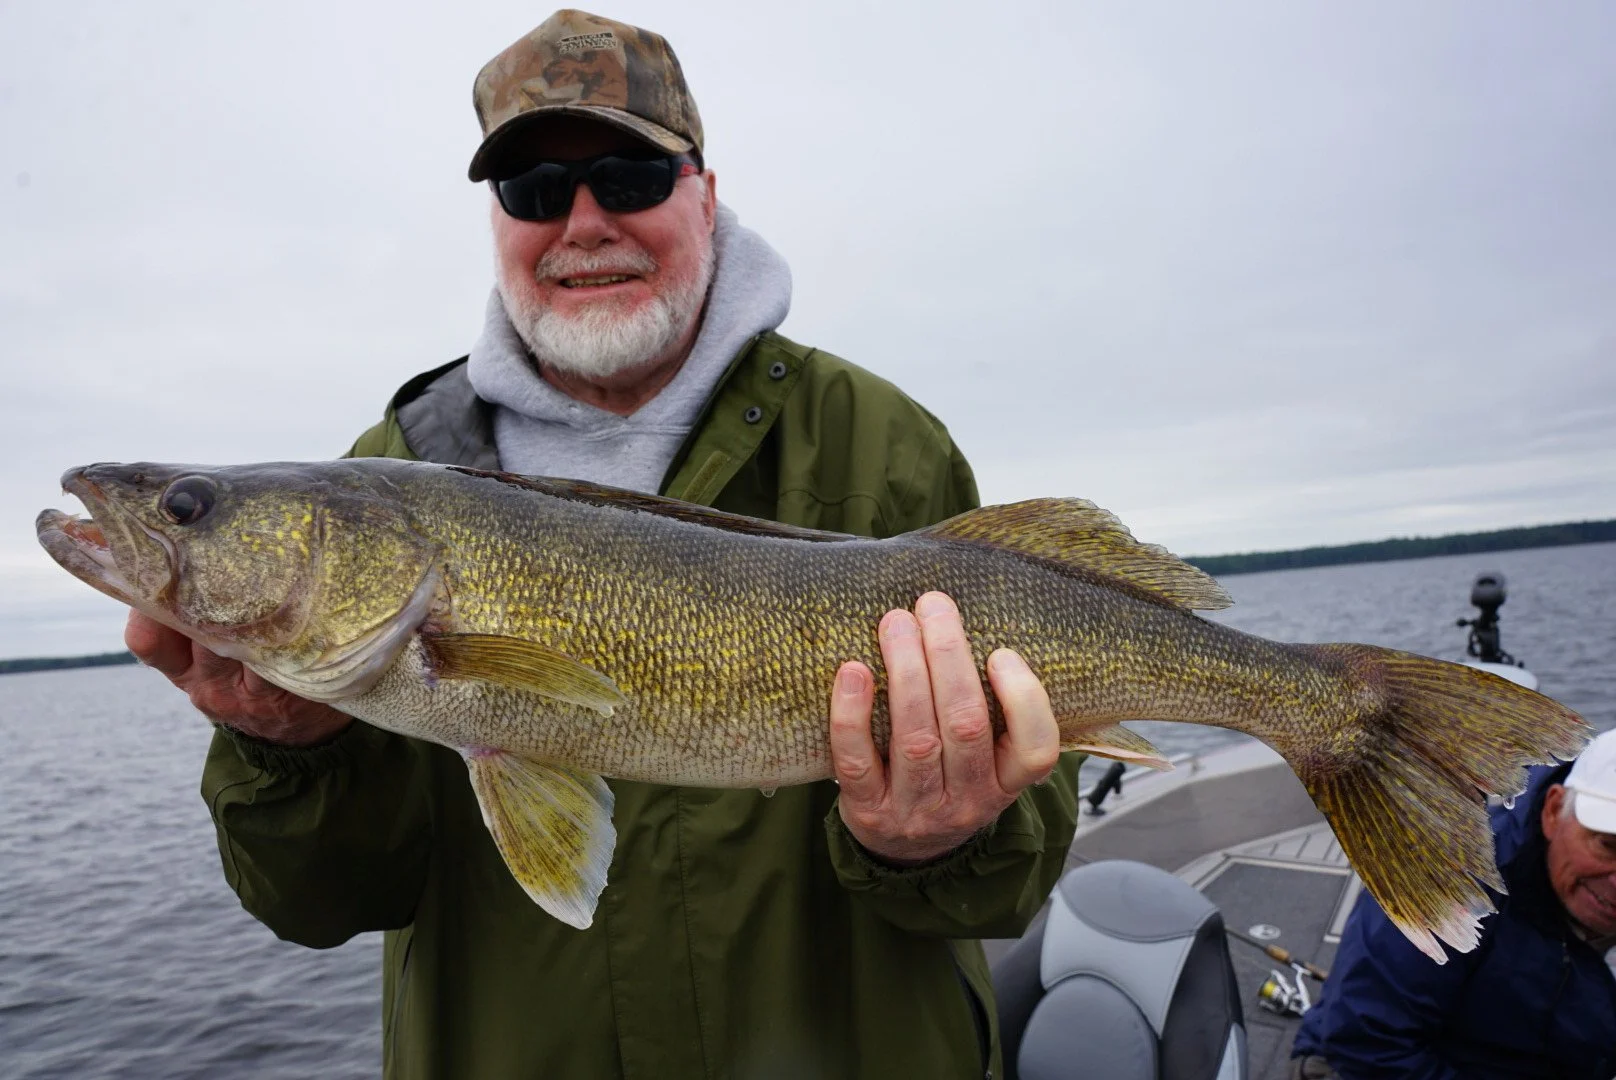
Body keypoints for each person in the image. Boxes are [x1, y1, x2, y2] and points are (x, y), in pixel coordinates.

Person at [125, 11, 1082, 1079]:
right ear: (496, 222)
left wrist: (940, 840)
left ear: (705, 196)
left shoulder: (882, 439)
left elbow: (1010, 881)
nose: (582, 222)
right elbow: (315, 905)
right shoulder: (383, 469)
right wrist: (288, 751)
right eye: (532, 190)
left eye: (628, 175)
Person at [1290, 727, 1616, 1079]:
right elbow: (1366, 1043)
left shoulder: (1571, 878)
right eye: (1608, 846)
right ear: (1554, 812)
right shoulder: (1443, 879)